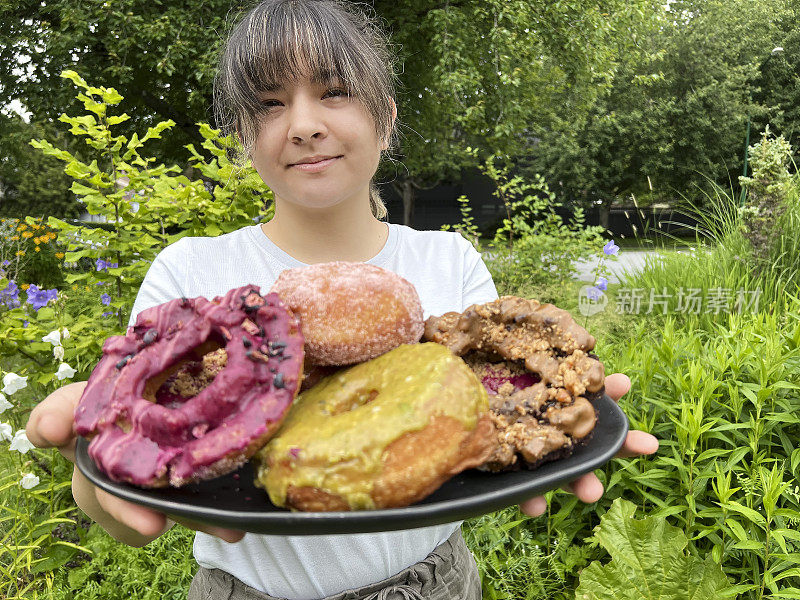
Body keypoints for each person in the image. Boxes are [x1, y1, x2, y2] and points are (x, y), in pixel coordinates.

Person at [26, 1, 659, 598]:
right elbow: (133, 475)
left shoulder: (445, 263)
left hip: (437, 582)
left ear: (385, 119)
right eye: (271, 104)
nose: (304, 125)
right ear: (245, 134)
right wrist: (95, 471)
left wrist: (554, 439)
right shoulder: (194, 274)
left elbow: (489, 411)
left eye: (334, 92)